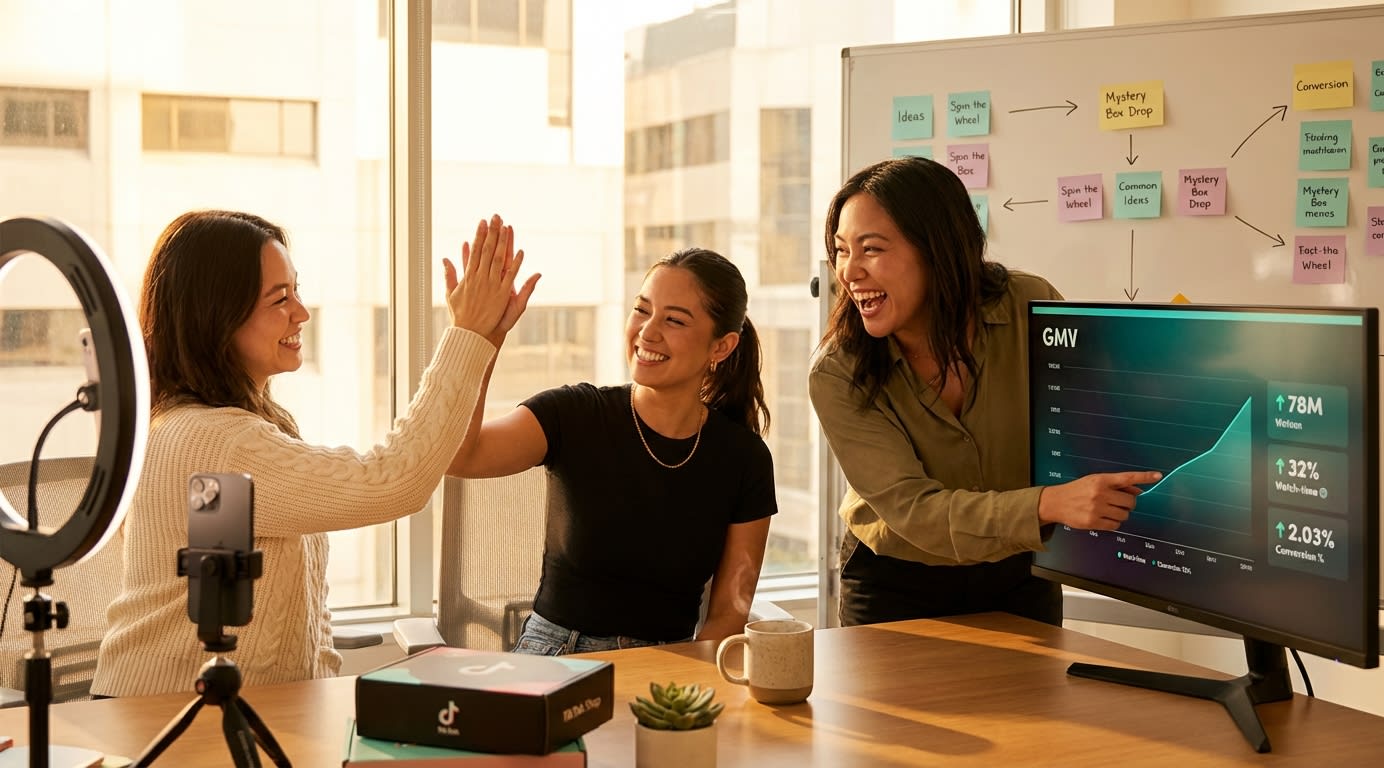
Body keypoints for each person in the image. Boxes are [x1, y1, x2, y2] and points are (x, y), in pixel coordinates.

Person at [93, 210, 537, 696]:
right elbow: (394, 481)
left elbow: (302, 614)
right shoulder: (213, 440)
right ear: (216, 315)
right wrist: (467, 336)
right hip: (166, 720)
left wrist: (485, 338)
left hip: (247, 711)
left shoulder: (250, 425)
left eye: (296, 291)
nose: (301, 313)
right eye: (280, 299)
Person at [808, 156, 1161, 628]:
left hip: (1018, 570)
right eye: (841, 250)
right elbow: (914, 510)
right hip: (895, 580)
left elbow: (1092, 423)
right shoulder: (837, 370)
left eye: (870, 249)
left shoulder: (1030, 307)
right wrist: (1048, 505)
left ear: (935, 246)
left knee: (1032, 703)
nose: (849, 272)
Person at [447, 247, 776, 654]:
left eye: (674, 320)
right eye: (642, 310)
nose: (648, 332)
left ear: (721, 347)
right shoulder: (574, 413)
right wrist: (481, 338)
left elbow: (730, 614)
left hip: (668, 663)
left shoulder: (744, 458)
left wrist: (682, 688)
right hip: (556, 657)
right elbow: (463, 456)